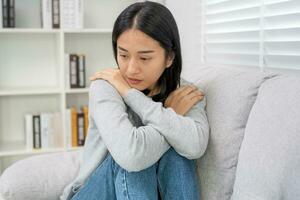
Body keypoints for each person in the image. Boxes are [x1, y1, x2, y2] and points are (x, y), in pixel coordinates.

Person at [60, 1, 209, 200]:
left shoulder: (185, 93)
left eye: (144, 58)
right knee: (135, 156)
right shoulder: (105, 87)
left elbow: (195, 146)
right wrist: (170, 113)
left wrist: (138, 99)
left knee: (178, 150)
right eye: (123, 55)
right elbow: (130, 156)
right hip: (94, 193)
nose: (131, 69)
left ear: (169, 57)